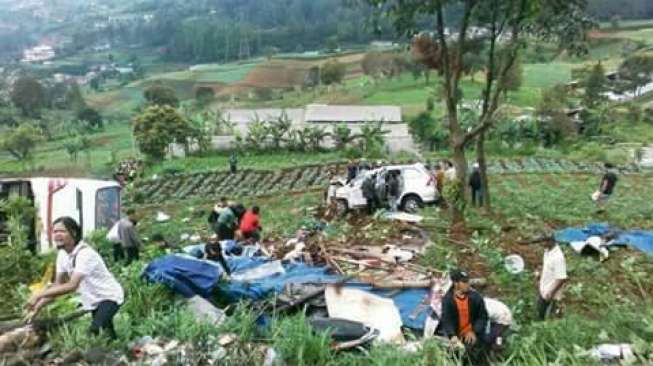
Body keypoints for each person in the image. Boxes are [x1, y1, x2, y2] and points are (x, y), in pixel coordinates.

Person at [26, 217, 124, 339]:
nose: (57, 235)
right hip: (94, 300)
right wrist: (38, 306)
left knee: (94, 332)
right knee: (108, 335)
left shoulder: (85, 254)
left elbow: (72, 285)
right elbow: (57, 287)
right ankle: (121, 354)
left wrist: (39, 294)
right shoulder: (62, 255)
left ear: (74, 232)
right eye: (55, 232)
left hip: (109, 297)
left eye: (61, 231)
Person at [441, 269, 489, 364]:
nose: (468, 284)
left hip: (471, 333)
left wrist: (474, 331)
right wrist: (452, 335)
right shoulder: (448, 300)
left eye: (468, 281)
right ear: (456, 283)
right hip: (457, 334)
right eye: (464, 282)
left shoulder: (475, 297)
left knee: (473, 352)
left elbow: (482, 317)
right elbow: (447, 320)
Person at [538, 238, 567, 320]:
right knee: (540, 313)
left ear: (550, 241)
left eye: (542, 241)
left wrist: (550, 292)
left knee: (548, 317)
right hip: (544, 289)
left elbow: (561, 278)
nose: (541, 243)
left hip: (550, 294)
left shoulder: (558, 257)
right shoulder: (547, 251)